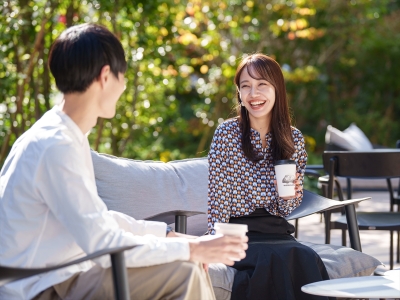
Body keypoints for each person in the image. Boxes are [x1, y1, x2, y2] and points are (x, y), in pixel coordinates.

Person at [0, 23, 248, 300]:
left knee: (184, 264)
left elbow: (97, 219)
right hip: (38, 287)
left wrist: (168, 236)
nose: (124, 85)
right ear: (106, 76)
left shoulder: (61, 135)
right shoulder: (55, 146)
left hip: (56, 274)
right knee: (184, 271)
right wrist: (193, 250)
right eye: (123, 76)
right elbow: (103, 244)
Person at [207, 53, 331, 300]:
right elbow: (217, 200)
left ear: (277, 89)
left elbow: (286, 209)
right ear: (239, 94)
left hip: (277, 230)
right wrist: (214, 244)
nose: (254, 94)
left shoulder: (292, 138)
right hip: (239, 232)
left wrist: (291, 194)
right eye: (246, 86)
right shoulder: (227, 135)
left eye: (262, 84)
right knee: (269, 261)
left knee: (305, 257)